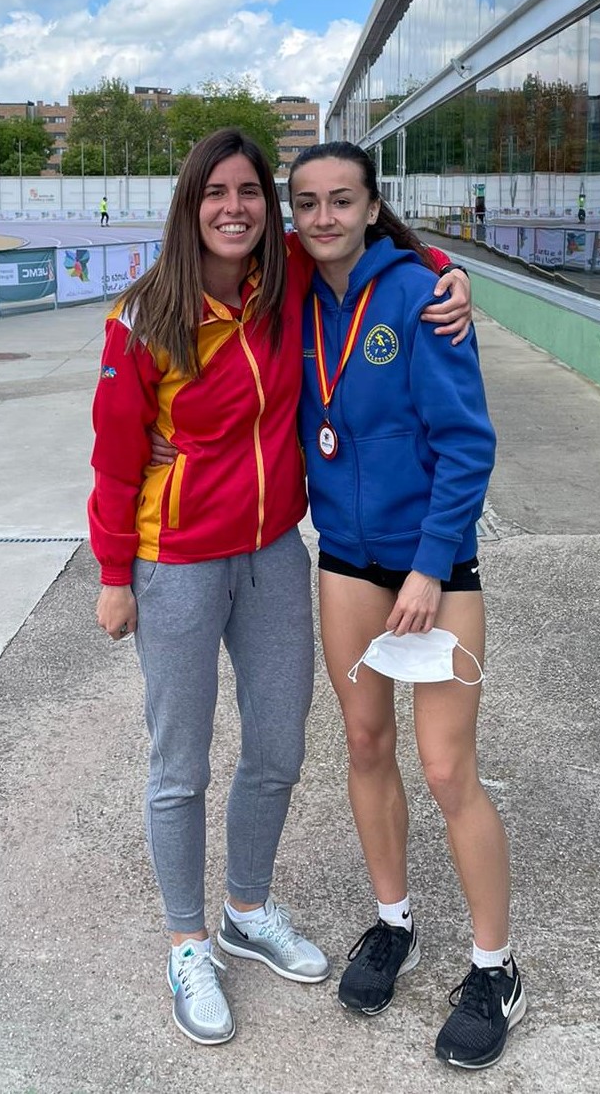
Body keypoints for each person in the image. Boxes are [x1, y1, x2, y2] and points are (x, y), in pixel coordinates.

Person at [88, 129, 472, 1049]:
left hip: (272, 552)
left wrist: (454, 275)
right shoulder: (142, 320)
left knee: (278, 746)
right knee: (179, 763)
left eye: (250, 192)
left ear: (269, 206)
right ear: (191, 204)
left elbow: (380, 251)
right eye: (215, 192)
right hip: (173, 559)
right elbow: (110, 460)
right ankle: (187, 940)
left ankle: (245, 909)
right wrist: (113, 575)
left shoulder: (285, 279)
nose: (235, 207)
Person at [288, 141, 525, 1071]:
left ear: (372, 205)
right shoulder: (293, 298)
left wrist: (431, 566)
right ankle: (394, 922)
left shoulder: (420, 295)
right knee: (364, 743)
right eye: (306, 202)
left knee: (446, 766)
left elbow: (468, 443)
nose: (322, 218)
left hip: (435, 569)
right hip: (345, 559)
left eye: (341, 200)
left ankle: (494, 964)